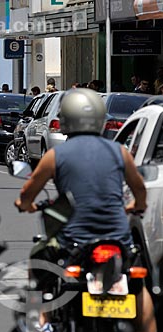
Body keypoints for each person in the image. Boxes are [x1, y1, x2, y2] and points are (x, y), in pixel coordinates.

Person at [15, 89, 156, 332]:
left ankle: (39, 322)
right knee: (137, 286)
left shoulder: (55, 155)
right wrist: (137, 206)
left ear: (66, 119)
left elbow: (28, 193)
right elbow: (139, 190)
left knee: (37, 262)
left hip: (73, 242)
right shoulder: (119, 151)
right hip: (117, 240)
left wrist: (26, 205)